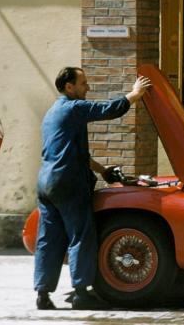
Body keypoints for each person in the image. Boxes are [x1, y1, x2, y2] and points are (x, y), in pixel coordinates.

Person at [33, 67, 151, 310]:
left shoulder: (52, 112)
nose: (88, 87)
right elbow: (105, 109)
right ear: (69, 87)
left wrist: (102, 170)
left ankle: (42, 295)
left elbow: (70, 152)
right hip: (68, 182)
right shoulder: (73, 108)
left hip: (46, 182)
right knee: (80, 235)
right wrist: (134, 94)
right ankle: (81, 294)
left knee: (49, 239)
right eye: (83, 83)